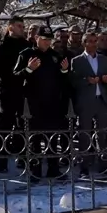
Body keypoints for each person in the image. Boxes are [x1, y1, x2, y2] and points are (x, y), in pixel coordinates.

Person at [13, 27, 71, 181]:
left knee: (52, 137)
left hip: (52, 102)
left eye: (49, 40)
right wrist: (29, 69)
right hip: (33, 103)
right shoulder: (26, 54)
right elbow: (15, 77)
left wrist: (65, 71)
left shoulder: (54, 56)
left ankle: (53, 168)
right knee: (35, 138)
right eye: (44, 39)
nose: (46, 42)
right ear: (36, 38)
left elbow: (63, 80)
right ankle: (35, 169)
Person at [0, 16, 30, 174]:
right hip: (6, 92)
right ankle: (2, 158)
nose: (22, 29)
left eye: (23, 26)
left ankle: (22, 156)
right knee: (4, 126)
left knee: (22, 125)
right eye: (19, 26)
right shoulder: (0, 47)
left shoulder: (27, 46)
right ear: (10, 27)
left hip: (24, 92)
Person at [69, 32, 107, 176]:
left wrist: (106, 79)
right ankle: (84, 165)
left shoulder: (103, 58)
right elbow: (73, 81)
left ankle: (104, 164)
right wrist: (86, 81)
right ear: (84, 43)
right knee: (85, 134)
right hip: (86, 101)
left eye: (95, 41)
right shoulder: (77, 60)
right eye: (90, 41)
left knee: (102, 134)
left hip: (101, 99)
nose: (93, 44)